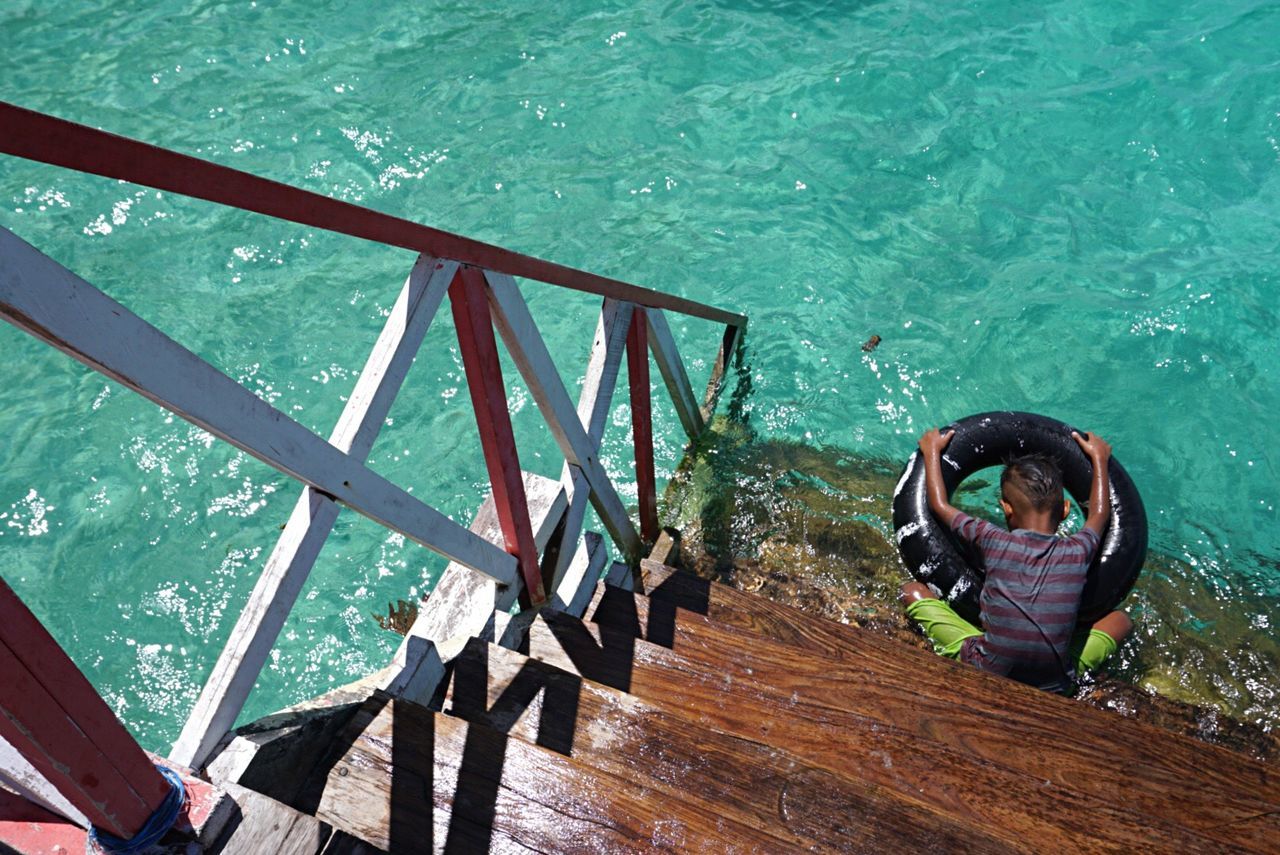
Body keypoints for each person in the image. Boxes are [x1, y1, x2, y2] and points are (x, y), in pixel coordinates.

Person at [900, 426, 1132, 692]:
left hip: (986, 669)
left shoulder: (990, 537)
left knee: (912, 592)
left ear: (1006, 509)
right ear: (1066, 510)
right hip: (1056, 682)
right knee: (1122, 620)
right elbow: (1099, 515)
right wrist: (1099, 460)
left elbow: (939, 505)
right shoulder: (1079, 548)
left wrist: (932, 451)